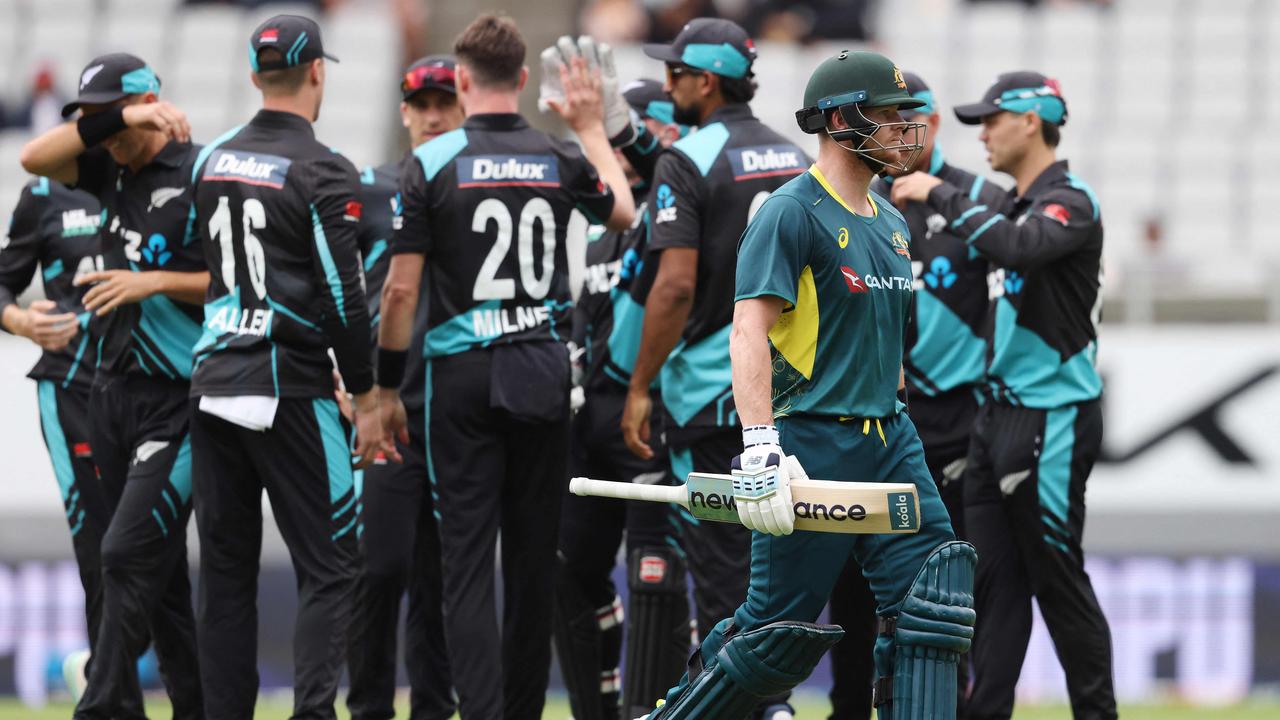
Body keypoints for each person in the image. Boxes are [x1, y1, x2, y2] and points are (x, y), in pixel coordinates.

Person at [644, 49, 976, 720]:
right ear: (836, 119)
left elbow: (890, 349)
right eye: (885, 116)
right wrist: (762, 444)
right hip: (811, 441)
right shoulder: (790, 212)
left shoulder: (891, 223)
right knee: (774, 640)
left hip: (891, 437)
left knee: (934, 607)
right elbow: (748, 332)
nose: (902, 130)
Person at [376, 14, 635, 719]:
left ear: (460, 84)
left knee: (464, 567)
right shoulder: (557, 156)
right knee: (530, 562)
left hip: (458, 377)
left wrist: (383, 387)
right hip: (540, 370)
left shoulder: (428, 163)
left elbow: (400, 292)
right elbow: (624, 212)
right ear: (522, 81)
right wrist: (587, 127)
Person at [890, 71, 1115, 720]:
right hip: (995, 418)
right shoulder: (1012, 204)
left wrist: (940, 192)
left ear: (1033, 121)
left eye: (992, 119)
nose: (982, 132)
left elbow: (1019, 250)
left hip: (1052, 417)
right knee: (991, 588)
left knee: (1057, 582)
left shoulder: (1069, 200)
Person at [185, 14, 390, 719]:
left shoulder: (212, 158)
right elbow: (343, 296)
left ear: (252, 76)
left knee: (226, 576)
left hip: (212, 383)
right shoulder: (322, 167)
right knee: (334, 567)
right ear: (318, 72)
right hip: (286, 384)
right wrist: (364, 393)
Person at [618, 25, 810, 713]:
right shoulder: (794, 158)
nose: (667, 87)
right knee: (778, 572)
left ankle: (759, 706)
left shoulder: (687, 158)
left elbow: (671, 288)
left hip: (709, 396)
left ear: (706, 81)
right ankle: (777, 702)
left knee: (726, 577)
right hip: (789, 399)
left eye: (676, 74)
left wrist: (639, 385)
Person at [20, 52, 207, 720]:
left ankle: (98, 704)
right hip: (109, 393)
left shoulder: (202, 171)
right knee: (160, 584)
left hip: (179, 399)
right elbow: (34, 159)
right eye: (94, 121)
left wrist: (152, 282)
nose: (107, 135)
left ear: (156, 99)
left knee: (124, 552)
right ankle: (196, 707)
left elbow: (240, 282)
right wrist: (116, 119)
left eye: (115, 117)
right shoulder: (106, 168)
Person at [823, 71, 1004, 720]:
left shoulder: (978, 198)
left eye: (910, 117)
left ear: (931, 122)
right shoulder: (856, 203)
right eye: (888, 117)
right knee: (850, 592)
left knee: (942, 593)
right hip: (870, 425)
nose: (901, 130)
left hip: (955, 428)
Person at [549, 75, 691, 720]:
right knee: (569, 571)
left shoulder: (681, 207)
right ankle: (597, 711)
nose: (613, 136)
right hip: (595, 416)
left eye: (625, 125)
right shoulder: (605, 220)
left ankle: (661, 709)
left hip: (657, 414)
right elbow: (587, 310)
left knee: (655, 578)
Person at [345, 53, 463, 720]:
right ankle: (367, 709)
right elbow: (335, 293)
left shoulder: (476, 188)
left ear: (466, 107)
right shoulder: (367, 188)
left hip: (455, 412)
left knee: (440, 578)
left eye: (444, 102)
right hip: (388, 413)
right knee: (380, 568)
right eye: (421, 105)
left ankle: (432, 709)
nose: (433, 115)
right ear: (403, 112)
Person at [0, 177, 122, 700]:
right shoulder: (44, 195)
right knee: (100, 549)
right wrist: (22, 321)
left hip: (154, 388)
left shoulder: (168, 176)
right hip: (72, 387)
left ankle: (101, 669)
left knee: (150, 548)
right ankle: (110, 696)